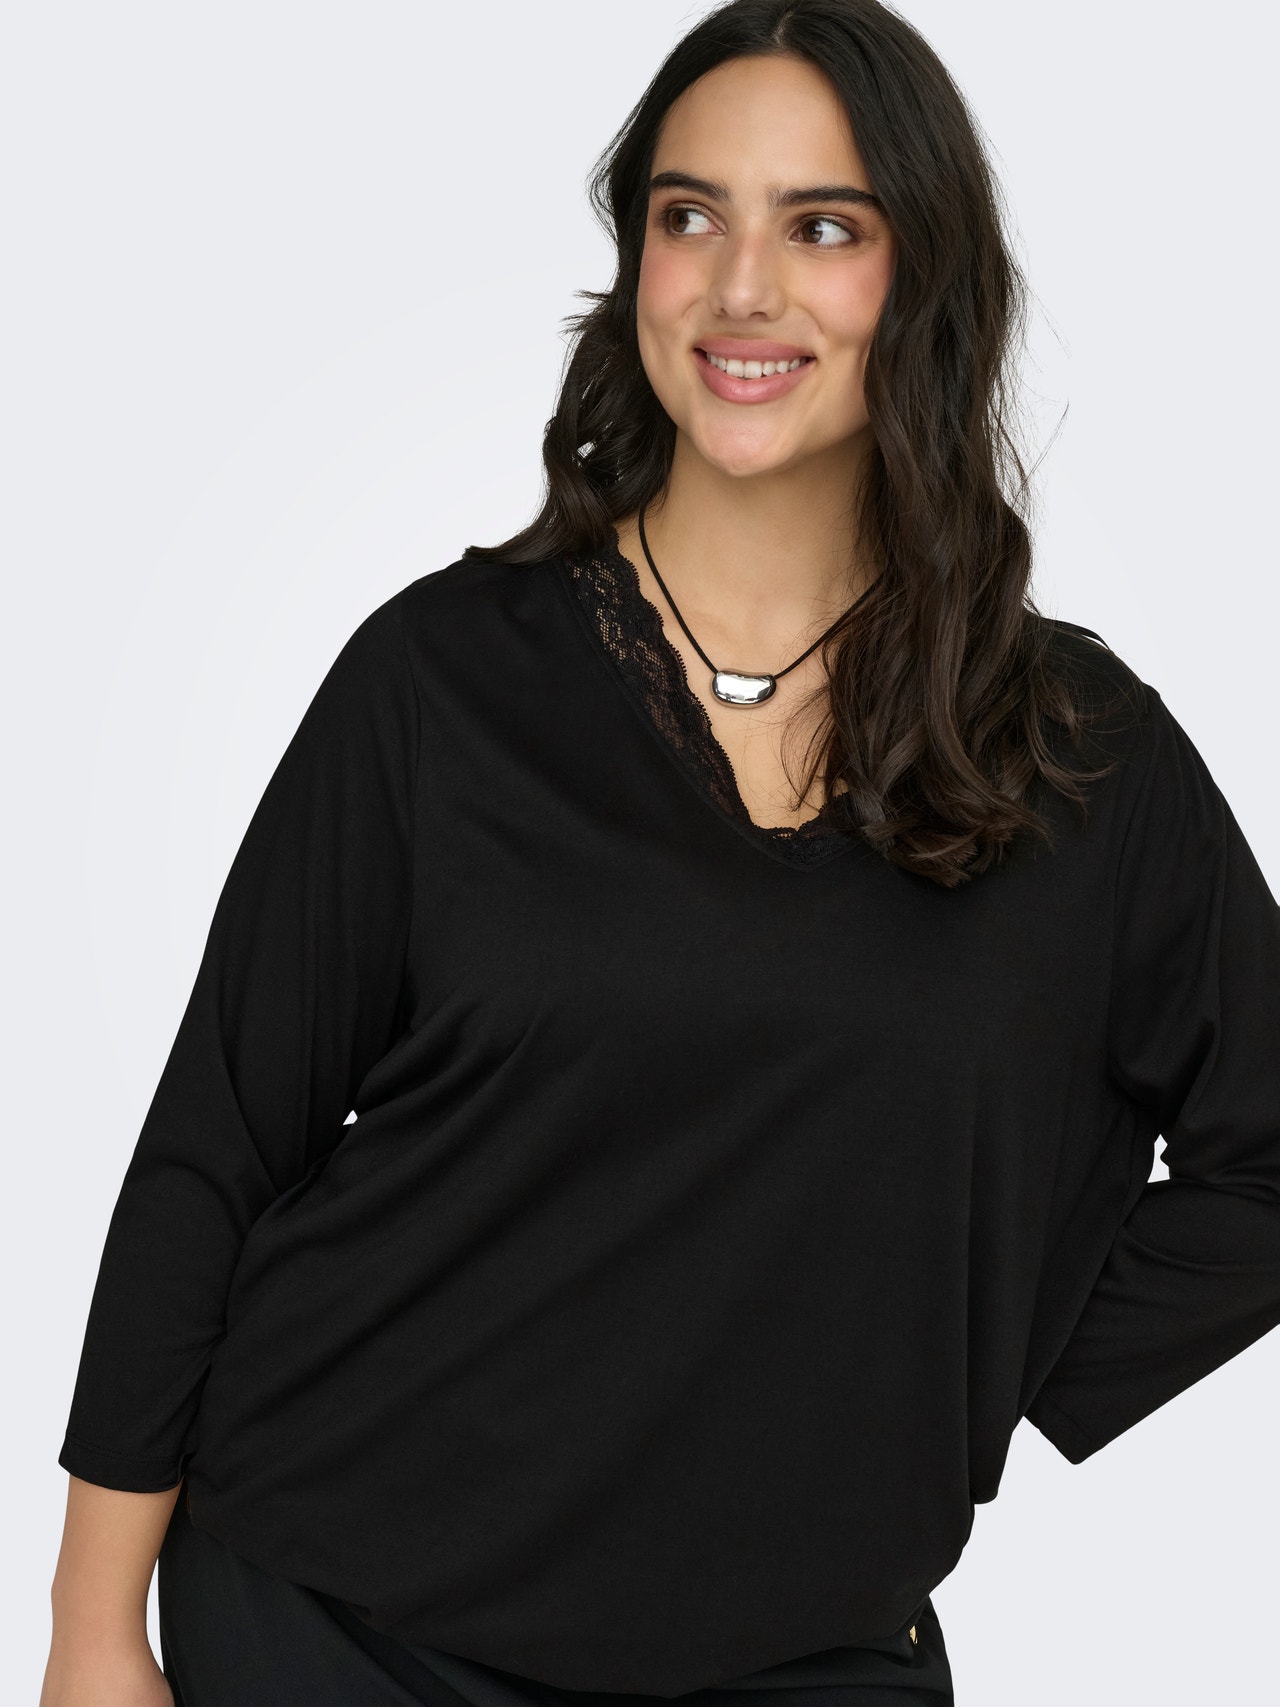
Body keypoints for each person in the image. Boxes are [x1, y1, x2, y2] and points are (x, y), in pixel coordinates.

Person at [40, 1, 1280, 1703]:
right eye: (691, 216)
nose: (741, 286)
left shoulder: (1078, 752)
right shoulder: (440, 683)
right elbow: (217, 1150)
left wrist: (963, 1377)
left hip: (800, 1652)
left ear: (925, 279)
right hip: (336, 1611)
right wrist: (91, 1631)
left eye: (823, 227)